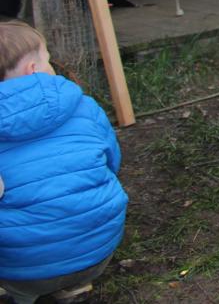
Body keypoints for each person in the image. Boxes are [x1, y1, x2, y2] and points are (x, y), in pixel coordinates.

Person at [0, 21, 128, 304]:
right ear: (33, 69)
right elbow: (112, 161)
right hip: (97, 247)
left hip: (22, 267)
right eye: (48, 60)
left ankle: (19, 293)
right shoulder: (84, 105)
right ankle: (74, 285)